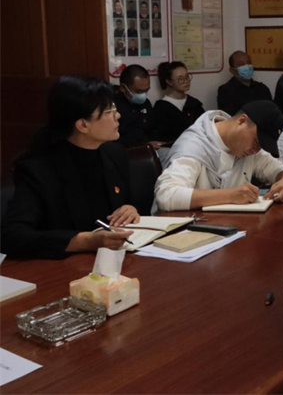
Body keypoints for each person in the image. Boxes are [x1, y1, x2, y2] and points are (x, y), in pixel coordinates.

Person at [0, 76, 142, 259]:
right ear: (83, 125)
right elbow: (11, 236)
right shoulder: (38, 170)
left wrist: (129, 209)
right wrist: (84, 241)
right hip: (61, 265)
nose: (118, 115)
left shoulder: (114, 153)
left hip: (111, 260)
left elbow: (126, 201)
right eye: (109, 111)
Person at [154, 100, 283, 211]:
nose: (256, 150)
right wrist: (230, 195)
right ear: (241, 121)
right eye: (257, 141)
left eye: (262, 146)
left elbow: (274, 168)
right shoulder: (194, 146)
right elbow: (166, 195)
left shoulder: (246, 147)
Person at [153, 61, 205, 144]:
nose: (186, 81)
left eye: (187, 76)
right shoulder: (161, 108)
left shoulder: (194, 103)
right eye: (180, 79)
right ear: (169, 82)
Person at [115, 64, 161, 148]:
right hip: (126, 151)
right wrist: (143, 144)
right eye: (139, 91)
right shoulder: (112, 107)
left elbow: (153, 129)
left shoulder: (146, 103)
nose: (143, 95)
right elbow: (112, 140)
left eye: (146, 90)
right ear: (123, 88)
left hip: (150, 149)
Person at [216, 51, 273, 116]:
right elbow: (229, 118)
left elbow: (272, 112)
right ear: (232, 70)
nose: (247, 66)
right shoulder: (225, 91)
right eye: (241, 64)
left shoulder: (262, 88)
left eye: (248, 62)